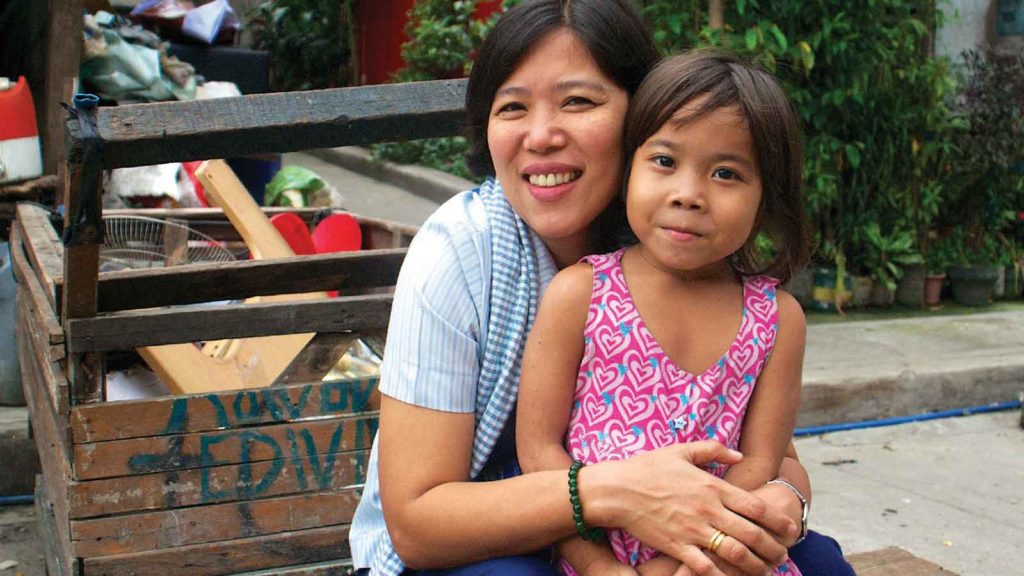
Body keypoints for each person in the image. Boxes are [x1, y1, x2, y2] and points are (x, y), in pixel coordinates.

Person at [350, 2, 855, 575]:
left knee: (817, 561)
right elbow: (417, 527)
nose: (541, 136)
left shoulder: (673, 237)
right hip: (485, 545)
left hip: (675, 535)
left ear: (642, 110)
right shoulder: (463, 253)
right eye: (512, 107)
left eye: (578, 101)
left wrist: (785, 501)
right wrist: (618, 503)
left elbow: (772, 460)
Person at [516, 49, 808, 576]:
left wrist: (685, 560)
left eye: (725, 172)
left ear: (767, 198)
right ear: (629, 168)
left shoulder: (777, 320)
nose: (688, 195)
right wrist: (594, 560)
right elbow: (538, 450)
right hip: (589, 555)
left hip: (719, 560)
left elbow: (764, 463)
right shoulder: (579, 294)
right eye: (665, 161)